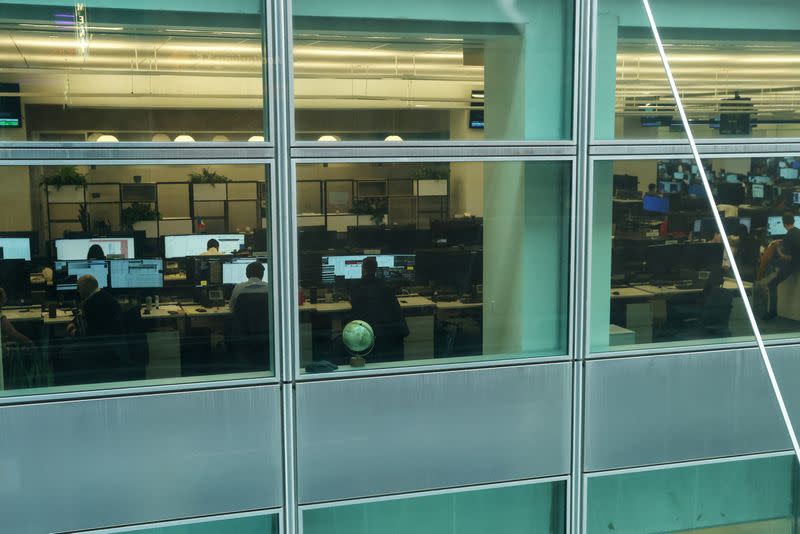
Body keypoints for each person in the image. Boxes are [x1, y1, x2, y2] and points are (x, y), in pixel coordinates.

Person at [348, 257, 409, 363]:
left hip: (366, 335)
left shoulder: (355, 289)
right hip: (388, 336)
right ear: (376, 269)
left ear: (362, 269)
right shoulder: (386, 288)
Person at [759, 212, 800, 319]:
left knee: (772, 283)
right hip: (797, 262)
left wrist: (777, 248)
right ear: (794, 221)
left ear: (783, 223)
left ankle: (772, 312)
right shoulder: (798, 232)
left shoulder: (788, 236)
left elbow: (787, 257)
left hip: (793, 265)